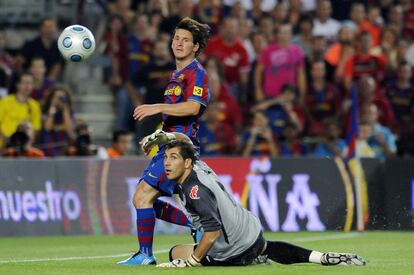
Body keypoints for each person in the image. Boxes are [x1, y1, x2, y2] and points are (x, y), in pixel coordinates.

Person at [155, 140, 366, 267]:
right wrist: (170, 138)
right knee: (265, 248)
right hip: (253, 233)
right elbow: (186, 144)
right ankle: (320, 257)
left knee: (176, 252)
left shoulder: (194, 192)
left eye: (173, 157)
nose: (166, 162)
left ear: (186, 163)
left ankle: (246, 260)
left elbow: (212, 234)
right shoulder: (201, 166)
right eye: (165, 157)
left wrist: (191, 262)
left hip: (232, 250)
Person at [117, 17, 211, 266]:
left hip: (181, 147)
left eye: (186, 40)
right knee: (145, 199)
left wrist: (156, 107)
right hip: (169, 144)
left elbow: (192, 107)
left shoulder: (197, 73)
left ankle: (146, 254)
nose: (179, 43)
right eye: (176, 38)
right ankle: (194, 226)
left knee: (142, 196)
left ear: (196, 47)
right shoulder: (176, 74)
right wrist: (155, 137)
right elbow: (172, 118)